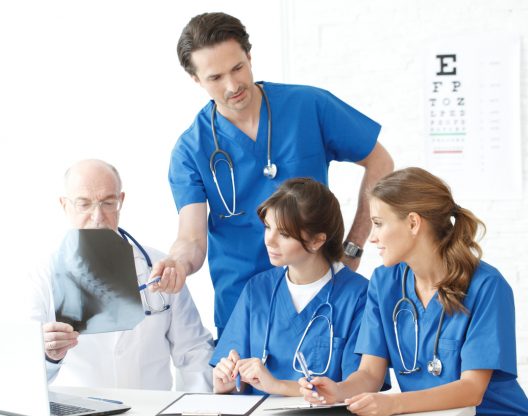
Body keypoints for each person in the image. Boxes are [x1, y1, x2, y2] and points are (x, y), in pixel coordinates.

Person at [152, 12, 394, 337]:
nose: (233, 85)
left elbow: (380, 161)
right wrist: (178, 263)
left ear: (249, 57)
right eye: (215, 77)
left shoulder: (308, 106)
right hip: (244, 307)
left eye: (238, 68)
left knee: (328, 384)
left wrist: (352, 247)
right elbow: (192, 238)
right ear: (196, 79)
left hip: (321, 291)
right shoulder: (190, 150)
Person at [298, 167, 528, 416]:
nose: (372, 238)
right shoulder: (384, 283)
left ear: (413, 223)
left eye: (378, 224)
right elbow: (370, 373)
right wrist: (338, 391)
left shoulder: (486, 286)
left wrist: (394, 403)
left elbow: (471, 390)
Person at [27, 159, 214, 391]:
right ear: (64, 205)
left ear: (120, 201)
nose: (97, 216)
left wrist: (194, 414)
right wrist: (48, 356)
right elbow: (20, 373)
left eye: (107, 202)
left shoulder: (159, 267)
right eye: (84, 204)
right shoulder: (42, 276)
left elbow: (193, 352)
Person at [211, 178, 369, 395]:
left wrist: (277, 386)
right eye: (268, 227)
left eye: (284, 234)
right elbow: (235, 382)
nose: (269, 240)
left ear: (317, 241)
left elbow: (357, 388)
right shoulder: (257, 290)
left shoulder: (358, 296)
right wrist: (225, 383)